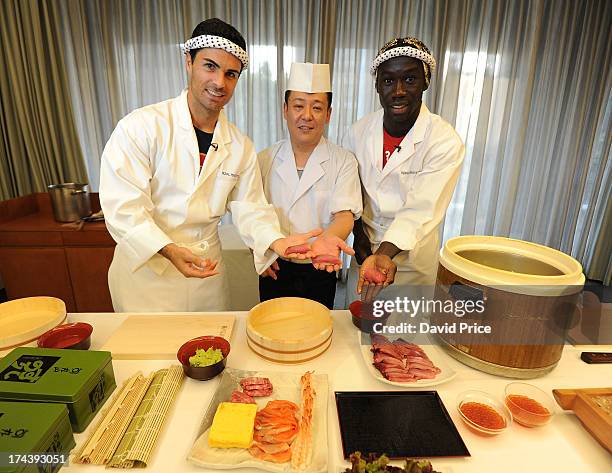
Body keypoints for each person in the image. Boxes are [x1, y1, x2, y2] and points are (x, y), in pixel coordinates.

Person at [99, 18, 324, 312]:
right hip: (147, 277)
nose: (219, 82)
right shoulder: (140, 127)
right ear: (188, 63)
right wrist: (168, 249)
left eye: (231, 74)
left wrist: (276, 241)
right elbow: (123, 207)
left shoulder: (239, 145)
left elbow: (251, 208)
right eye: (210, 66)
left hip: (207, 276)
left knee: (210, 352)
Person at [343, 37, 465, 303]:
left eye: (409, 80)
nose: (398, 91)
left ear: (425, 82)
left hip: (412, 259)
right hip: (364, 252)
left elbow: (421, 210)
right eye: (388, 81)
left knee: (402, 336)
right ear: (377, 85)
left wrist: (384, 254)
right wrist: (361, 241)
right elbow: (349, 193)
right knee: (357, 333)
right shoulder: (357, 133)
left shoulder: (443, 140)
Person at [257, 63, 361, 309]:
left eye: (317, 108)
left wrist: (327, 242)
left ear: (328, 114)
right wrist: (260, 249)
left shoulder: (343, 160)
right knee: (272, 331)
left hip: (320, 265)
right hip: (274, 264)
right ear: (285, 110)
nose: (307, 116)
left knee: (319, 335)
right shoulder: (264, 159)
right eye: (298, 106)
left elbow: (345, 215)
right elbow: (253, 212)